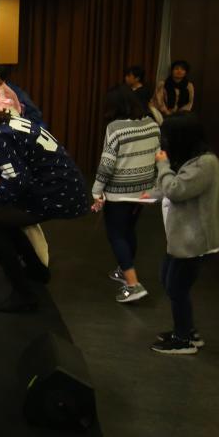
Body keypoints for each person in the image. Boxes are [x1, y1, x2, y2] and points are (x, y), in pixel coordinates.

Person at [0, 110, 89, 313]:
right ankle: (37, 271)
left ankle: (24, 294)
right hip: (65, 187)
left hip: (56, 193)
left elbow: (18, 181)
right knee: (3, 219)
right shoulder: (5, 124)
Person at [150, 114, 219, 355]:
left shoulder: (205, 164)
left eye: (166, 137)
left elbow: (177, 189)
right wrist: (153, 194)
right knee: (168, 280)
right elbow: (176, 187)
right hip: (182, 238)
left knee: (176, 287)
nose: (163, 142)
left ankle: (183, 339)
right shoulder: (192, 160)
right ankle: (186, 330)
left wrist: (163, 165)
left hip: (195, 240)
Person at [91, 86, 161, 304]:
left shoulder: (115, 128)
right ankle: (124, 270)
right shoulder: (152, 125)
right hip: (144, 192)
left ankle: (133, 284)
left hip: (119, 193)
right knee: (129, 230)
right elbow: (158, 157)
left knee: (116, 235)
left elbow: (107, 164)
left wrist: (96, 191)